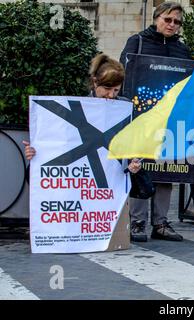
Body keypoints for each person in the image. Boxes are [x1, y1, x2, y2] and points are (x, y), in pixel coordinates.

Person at [23, 53, 142, 232]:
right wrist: (36, 153)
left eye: (116, 90)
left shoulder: (124, 109)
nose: (111, 95)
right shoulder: (78, 107)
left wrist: (136, 161)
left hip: (111, 190)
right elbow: (56, 145)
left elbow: (136, 142)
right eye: (107, 89)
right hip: (83, 191)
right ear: (95, 82)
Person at [119, 1, 191, 242]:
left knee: (167, 169)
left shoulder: (182, 50)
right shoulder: (137, 41)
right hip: (140, 117)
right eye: (167, 19)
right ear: (157, 17)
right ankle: (137, 221)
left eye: (177, 22)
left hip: (170, 120)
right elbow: (124, 75)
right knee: (140, 167)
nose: (172, 25)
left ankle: (160, 223)